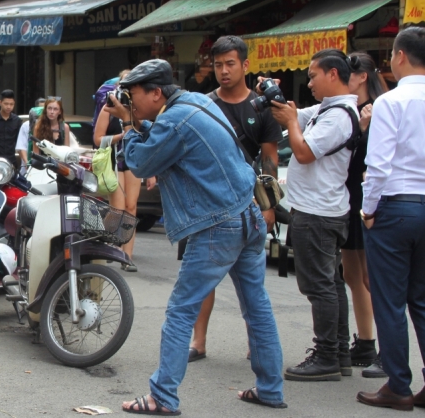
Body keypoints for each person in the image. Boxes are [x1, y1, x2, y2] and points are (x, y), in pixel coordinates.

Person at [105, 59, 285, 415]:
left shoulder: (173, 121)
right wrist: (135, 118)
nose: (131, 101)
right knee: (257, 306)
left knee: (180, 310)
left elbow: (140, 162)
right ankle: (271, 389)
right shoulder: (198, 102)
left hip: (218, 225)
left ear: (156, 93)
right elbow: (160, 140)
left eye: (134, 95)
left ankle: (163, 397)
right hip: (246, 213)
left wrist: (127, 121)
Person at [356, 27, 425, 411]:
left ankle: (399, 384)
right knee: (424, 299)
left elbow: (378, 165)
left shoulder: (391, 102)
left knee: (389, 300)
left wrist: (369, 209)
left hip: (395, 205)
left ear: (400, 56)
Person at [187, 36, 282, 363]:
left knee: (251, 285)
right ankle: (198, 342)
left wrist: (268, 206)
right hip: (206, 203)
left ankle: (256, 343)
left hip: (248, 206)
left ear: (245, 65)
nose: (224, 71)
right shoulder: (202, 104)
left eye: (230, 64)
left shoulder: (261, 108)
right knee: (201, 277)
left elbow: (269, 161)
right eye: (218, 65)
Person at [269, 49, 360, 382]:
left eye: (312, 75)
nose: (308, 83)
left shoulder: (339, 115)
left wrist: (292, 122)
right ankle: (338, 355)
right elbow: (292, 114)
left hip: (320, 212)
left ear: (332, 74)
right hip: (320, 209)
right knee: (331, 284)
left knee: (319, 286)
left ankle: (326, 356)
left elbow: (304, 152)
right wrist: (273, 96)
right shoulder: (328, 109)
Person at [339, 53, 387, 378]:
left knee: (375, 278)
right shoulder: (349, 110)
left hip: (370, 199)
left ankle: (389, 347)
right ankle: (366, 341)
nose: (345, 80)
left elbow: (377, 160)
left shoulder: (382, 110)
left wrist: (366, 127)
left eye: (349, 75)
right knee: (352, 275)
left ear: (363, 77)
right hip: (348, 197)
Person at [93, 70, 151, 273]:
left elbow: (148, 138)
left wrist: (151, 172)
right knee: (118, 207)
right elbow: (98, 139)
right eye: (122, 85)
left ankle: (128, 256)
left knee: (131, 205)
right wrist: (121, 136)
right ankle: (112, 245)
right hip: (114, 160)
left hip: (133, 160)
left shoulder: (137, 110)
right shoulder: (107, 108)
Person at [15, 98, 46, 173]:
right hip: (28, 168)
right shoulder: (26, 125)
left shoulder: (51, 126)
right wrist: (27, 163)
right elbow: (21, 147)